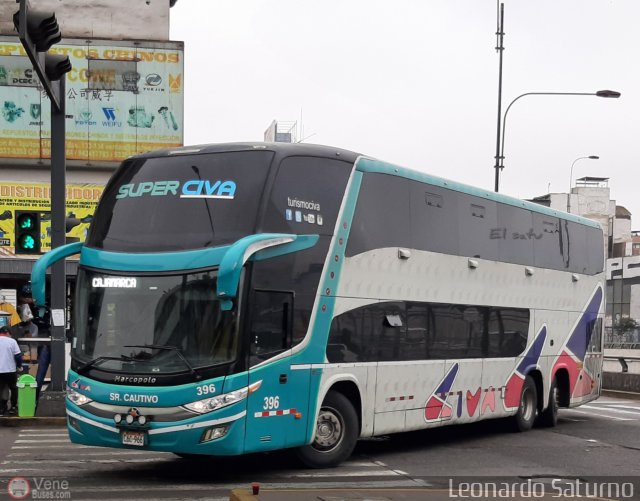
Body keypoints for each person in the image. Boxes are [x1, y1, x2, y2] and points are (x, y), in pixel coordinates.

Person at [0, 326, 23, 415]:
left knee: (1, 389)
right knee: (13, 388)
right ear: (8, 333)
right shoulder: (12, 341)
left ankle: (1, 409)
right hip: (10, 370)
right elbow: (18, 356)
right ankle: (13, 407)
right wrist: (19, 366)